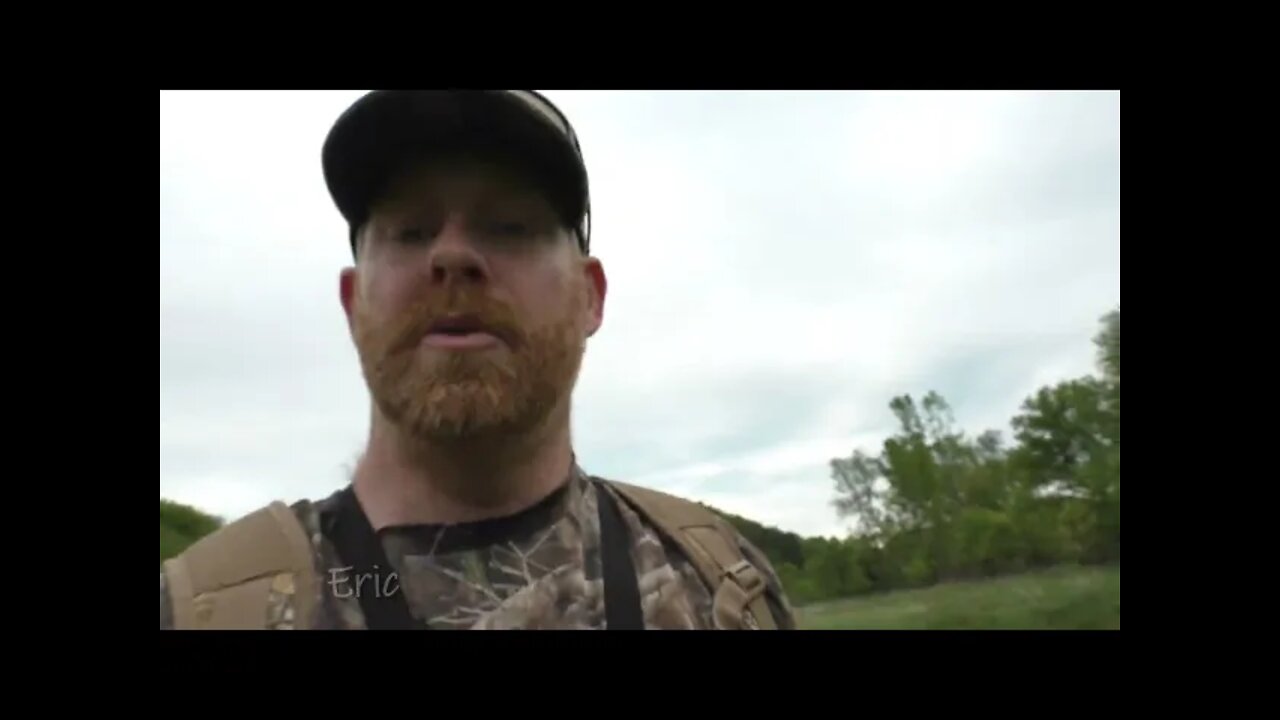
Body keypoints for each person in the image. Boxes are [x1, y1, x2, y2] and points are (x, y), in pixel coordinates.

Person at [159, 90, 795, 630]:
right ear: (353, 304)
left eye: (510, 226)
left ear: (589, 297)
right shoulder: (201, 609)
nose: (453, 256)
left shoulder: (724, 587)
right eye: (411, 231)